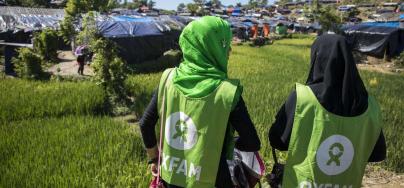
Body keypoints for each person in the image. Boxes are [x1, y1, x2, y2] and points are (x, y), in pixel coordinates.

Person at [139, 16, 261, 188]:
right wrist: (227, 143)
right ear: (212, 48)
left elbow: (145, 124)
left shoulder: (167, 79)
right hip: (213, 180)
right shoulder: (227, 92)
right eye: (224, 44)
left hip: (171, 176)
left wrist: (154, 159)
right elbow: (252, 143)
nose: (230, 50)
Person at [268, 34, 386, 187]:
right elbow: (378, 154)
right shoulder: (370, 105)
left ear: (317, 58)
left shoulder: (303, 97)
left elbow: (277, 141)